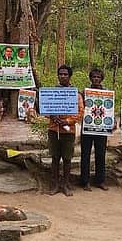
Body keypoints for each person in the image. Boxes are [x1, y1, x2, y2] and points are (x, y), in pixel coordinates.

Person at [47, 65, 84, 196]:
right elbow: (45, 108)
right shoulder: (51, 92)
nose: (62, 76)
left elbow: (80, 112)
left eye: (65, 74)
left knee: (67, 159)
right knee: (55, 158)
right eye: (60, 74)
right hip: (53, 129)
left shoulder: (76, 94)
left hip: (69, 131)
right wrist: (52, 115)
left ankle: (65, 184)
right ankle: (55, 185)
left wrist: (66, 121)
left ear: (70, 76)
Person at [80, 67, 110, 191]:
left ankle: (100, 180)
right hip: (87, 127)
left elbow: (109, 109)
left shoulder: (107, 92)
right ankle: (85, 181)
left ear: (101, 79)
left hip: (101, 128)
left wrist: (112, 121)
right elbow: (80, 107)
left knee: (101, 154)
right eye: (94, 77)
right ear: (90, 78)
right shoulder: (84, 92)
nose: (96, 79)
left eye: (98, 77)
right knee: (85, 154)